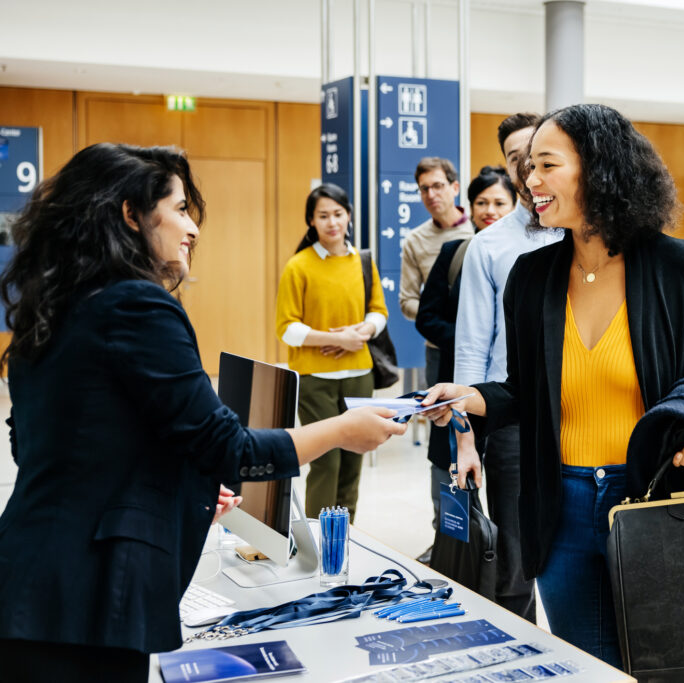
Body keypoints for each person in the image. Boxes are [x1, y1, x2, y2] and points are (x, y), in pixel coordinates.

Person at [0, 144, 405, 682]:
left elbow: (44, 447)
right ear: (130, 213)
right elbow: (231, 450)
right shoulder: (138, 306)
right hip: (89, 600)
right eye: (181, 209)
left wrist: (177, 484)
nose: (193, 228)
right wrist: (340, 430)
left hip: (30, 579)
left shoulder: (58, 305)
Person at [422, 104, 684, 666]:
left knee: (664, 663)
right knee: (587, 665)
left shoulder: (680, 268)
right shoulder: (531, 278)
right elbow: (524, 391)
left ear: (598, 170)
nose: (530, 180)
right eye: (528, 167)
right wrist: (474, 399)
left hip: (655, 498)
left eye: (547, 165)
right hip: (561, 504)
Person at [452, 113, 565, 622]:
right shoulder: (490, 245)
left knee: (575, 551)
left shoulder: (580, 235)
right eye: (518, 160)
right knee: (515, 563)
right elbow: (471, 351)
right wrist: (465, 437)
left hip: (579, 414)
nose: (529, 169)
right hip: (512, 421)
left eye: (541, 158)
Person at [276, 183, 390, 520]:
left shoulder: (363, 261)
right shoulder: (299, 266)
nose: (332, 222)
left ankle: (345, 535)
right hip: (316, 379)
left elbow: (379, 312)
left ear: (348, 216)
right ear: (311, 221)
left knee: (354, 460)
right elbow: (287, 328)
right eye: (323, 216)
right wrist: (337, 340)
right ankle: (318, 536)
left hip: (359, 376)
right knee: (327, 460)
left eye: (338, 214)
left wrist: (363, 331)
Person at [415, 166, 515, 534]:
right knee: (450, 477)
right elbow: (427, 317)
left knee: (509, 500)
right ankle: (453, 548)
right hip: (457, 381)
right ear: (470, 208)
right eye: (481, 202)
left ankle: (498, 568)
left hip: (505, 393)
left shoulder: (529, 258)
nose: (490, 210)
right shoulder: (455, 252)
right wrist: (472, 339)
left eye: (499, 202)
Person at [398, 157, 475, 387]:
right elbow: (407, 301)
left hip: (482, 343)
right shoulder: (415, 240)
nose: (431, 194)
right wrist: (436, 315)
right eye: (424, 189)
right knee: (441, 418)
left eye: (438, 186)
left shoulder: (479, 229)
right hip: (439, 347)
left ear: (455, 187)